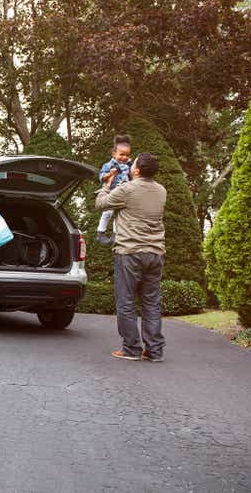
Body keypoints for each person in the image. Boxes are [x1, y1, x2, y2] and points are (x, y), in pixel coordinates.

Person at [95, 153, 167, 362]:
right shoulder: (161, 191)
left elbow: (101, 204)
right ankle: (154, 351)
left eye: (133, 163)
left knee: (126, 301)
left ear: (136, 170)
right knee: (151, 303)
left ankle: (131, 349)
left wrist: (107, 184)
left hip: (129, 253)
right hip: (155, 253)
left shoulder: (127, 189)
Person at [96, 135, 132, 245]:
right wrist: (110, 174)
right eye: (122, 154)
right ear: (114, 154)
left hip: (122, 193)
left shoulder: (128, 165)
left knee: (118, 214)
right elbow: (101, 177)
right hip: (111, 191)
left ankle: (115, 235)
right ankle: (100, 232)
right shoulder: (109, 165)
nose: (124, 157)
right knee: (107, 212)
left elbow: (131, 176)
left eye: (127, 155)